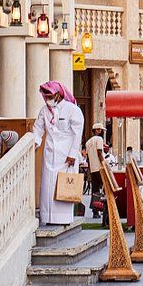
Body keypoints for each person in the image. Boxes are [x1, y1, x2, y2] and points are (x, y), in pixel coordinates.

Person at [32, 80, 85, 226]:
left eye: (50, 96)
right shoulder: (44, 111)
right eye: (46, 96)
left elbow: (77, 134)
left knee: (63, 187)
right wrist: (35, 143)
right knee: (48, 188)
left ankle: (63, 219)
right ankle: (47, 217)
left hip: (66, 156)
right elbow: (38, 129)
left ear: (59, 94)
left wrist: (73, 154)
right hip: (50, 154)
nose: (48, 99)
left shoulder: (72, 109)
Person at [83, 122, 107, 217]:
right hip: (100, 168)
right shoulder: (99, 139)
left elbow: (88, 157)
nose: (101, 132)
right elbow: (99, 153)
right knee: (106, 188)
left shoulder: (88, 142)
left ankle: (95, 211)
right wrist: (104, 164)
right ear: (97, 130)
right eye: (100, 130)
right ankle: (105, 209)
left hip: (93, 169)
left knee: (95, 190)